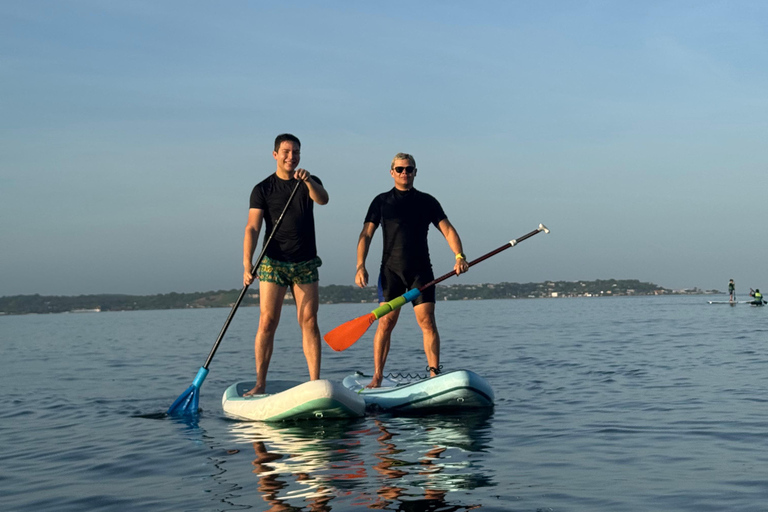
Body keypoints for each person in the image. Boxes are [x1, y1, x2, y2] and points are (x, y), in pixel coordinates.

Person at [355, 152, 469, 388]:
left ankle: (434, 374)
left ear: (415, 172)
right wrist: (360, 265)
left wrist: (459, 256)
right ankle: (377, 376)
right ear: (392, 172)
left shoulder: (427, 201)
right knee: (386, 323)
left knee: (427, 322)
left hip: (420, 272)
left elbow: (448, 230)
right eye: (399, 169)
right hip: (390, 273)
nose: (404, 173)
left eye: (409, 169)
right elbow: (366, 234)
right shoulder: (381, 201)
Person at [242, 133, 329, 396]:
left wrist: (308, 182)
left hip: (304, 261)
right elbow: (253, 227)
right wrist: (247, 263)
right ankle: (260, 383)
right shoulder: (262, 189)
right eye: (287, 152)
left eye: (296, 152)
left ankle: (314, 382)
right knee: (267, 321)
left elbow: (323, 199)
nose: (292, 157)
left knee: (309, 321)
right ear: (275, 155)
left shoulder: (309, 182)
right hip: (273, 262)